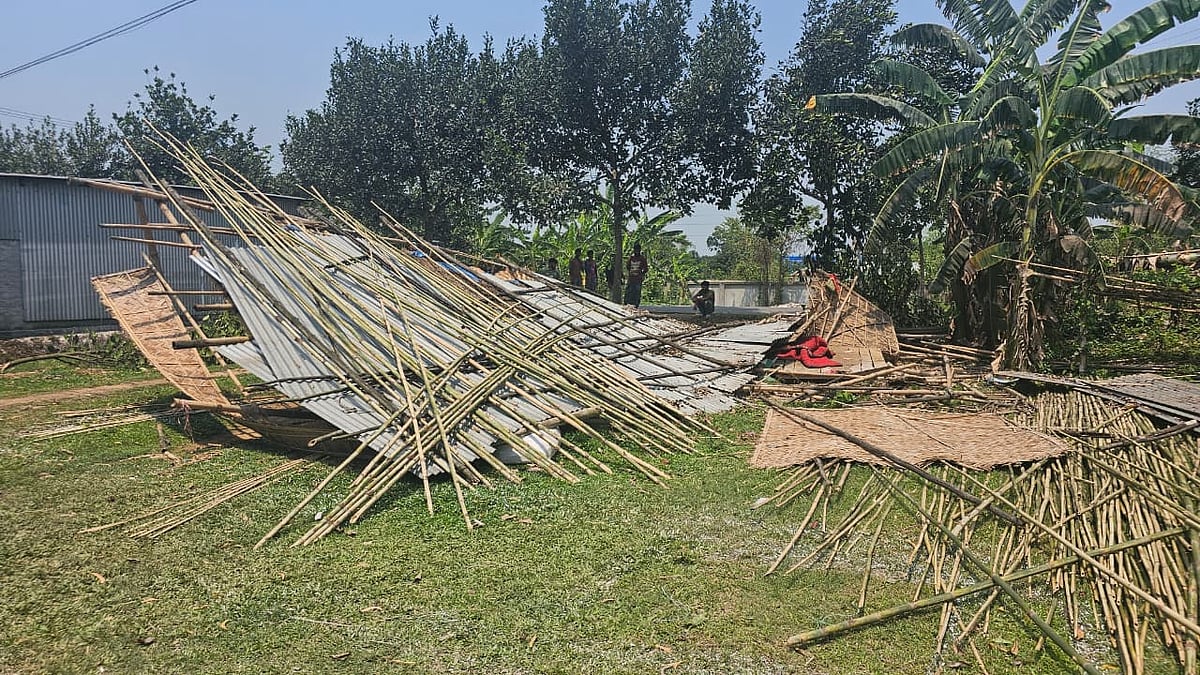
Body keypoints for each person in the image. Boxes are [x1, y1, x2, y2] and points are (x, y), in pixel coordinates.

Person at [624, 242, 648, 307]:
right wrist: (631, 271)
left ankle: (636, 304)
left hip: (638, 279)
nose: (636, 251)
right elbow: (628, 266)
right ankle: (627, 303)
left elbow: (646, 269)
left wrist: (641, 273)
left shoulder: (642, 259)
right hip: (631, 278)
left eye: (638, 250)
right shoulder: (631, 258)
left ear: (640, 250)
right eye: (635, 250)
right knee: (629, 291)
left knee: (637, 292)